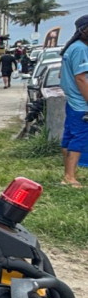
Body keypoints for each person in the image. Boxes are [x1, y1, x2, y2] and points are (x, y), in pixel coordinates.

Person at [59, 15, 88, 187]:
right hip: (81, 104)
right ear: (82, 30)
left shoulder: (71, 48)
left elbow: (62, 75)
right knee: (80, 138)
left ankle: (69, 174)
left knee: (69, 137)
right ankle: (69, 177)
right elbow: (81, 79)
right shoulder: (80, 49)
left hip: (72, 102)